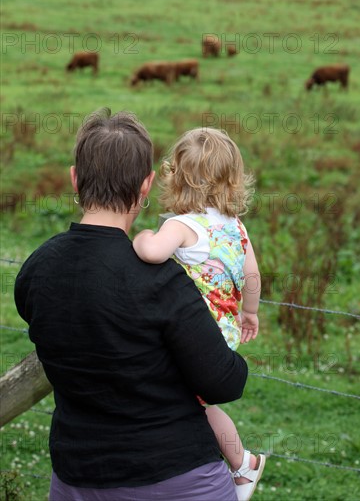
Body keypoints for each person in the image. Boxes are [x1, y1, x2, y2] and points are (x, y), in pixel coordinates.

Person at [14, 109, 248, 501]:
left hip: (75, 480)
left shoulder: (37, 269)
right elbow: (224, 382)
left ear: (75, 177)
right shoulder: (162, 279)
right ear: (146, 185)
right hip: (176, 480)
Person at [133, 127, 266, 501]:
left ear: (175, 177)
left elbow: (154, 253)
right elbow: (252, 275)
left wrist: (143, 235)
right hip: (222, 332)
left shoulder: (180, 225)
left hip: (193, 334)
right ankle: (236, 464)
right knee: (195, 402)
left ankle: (243, 464)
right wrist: (250, 314)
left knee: (188, 402)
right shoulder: (236, 227)